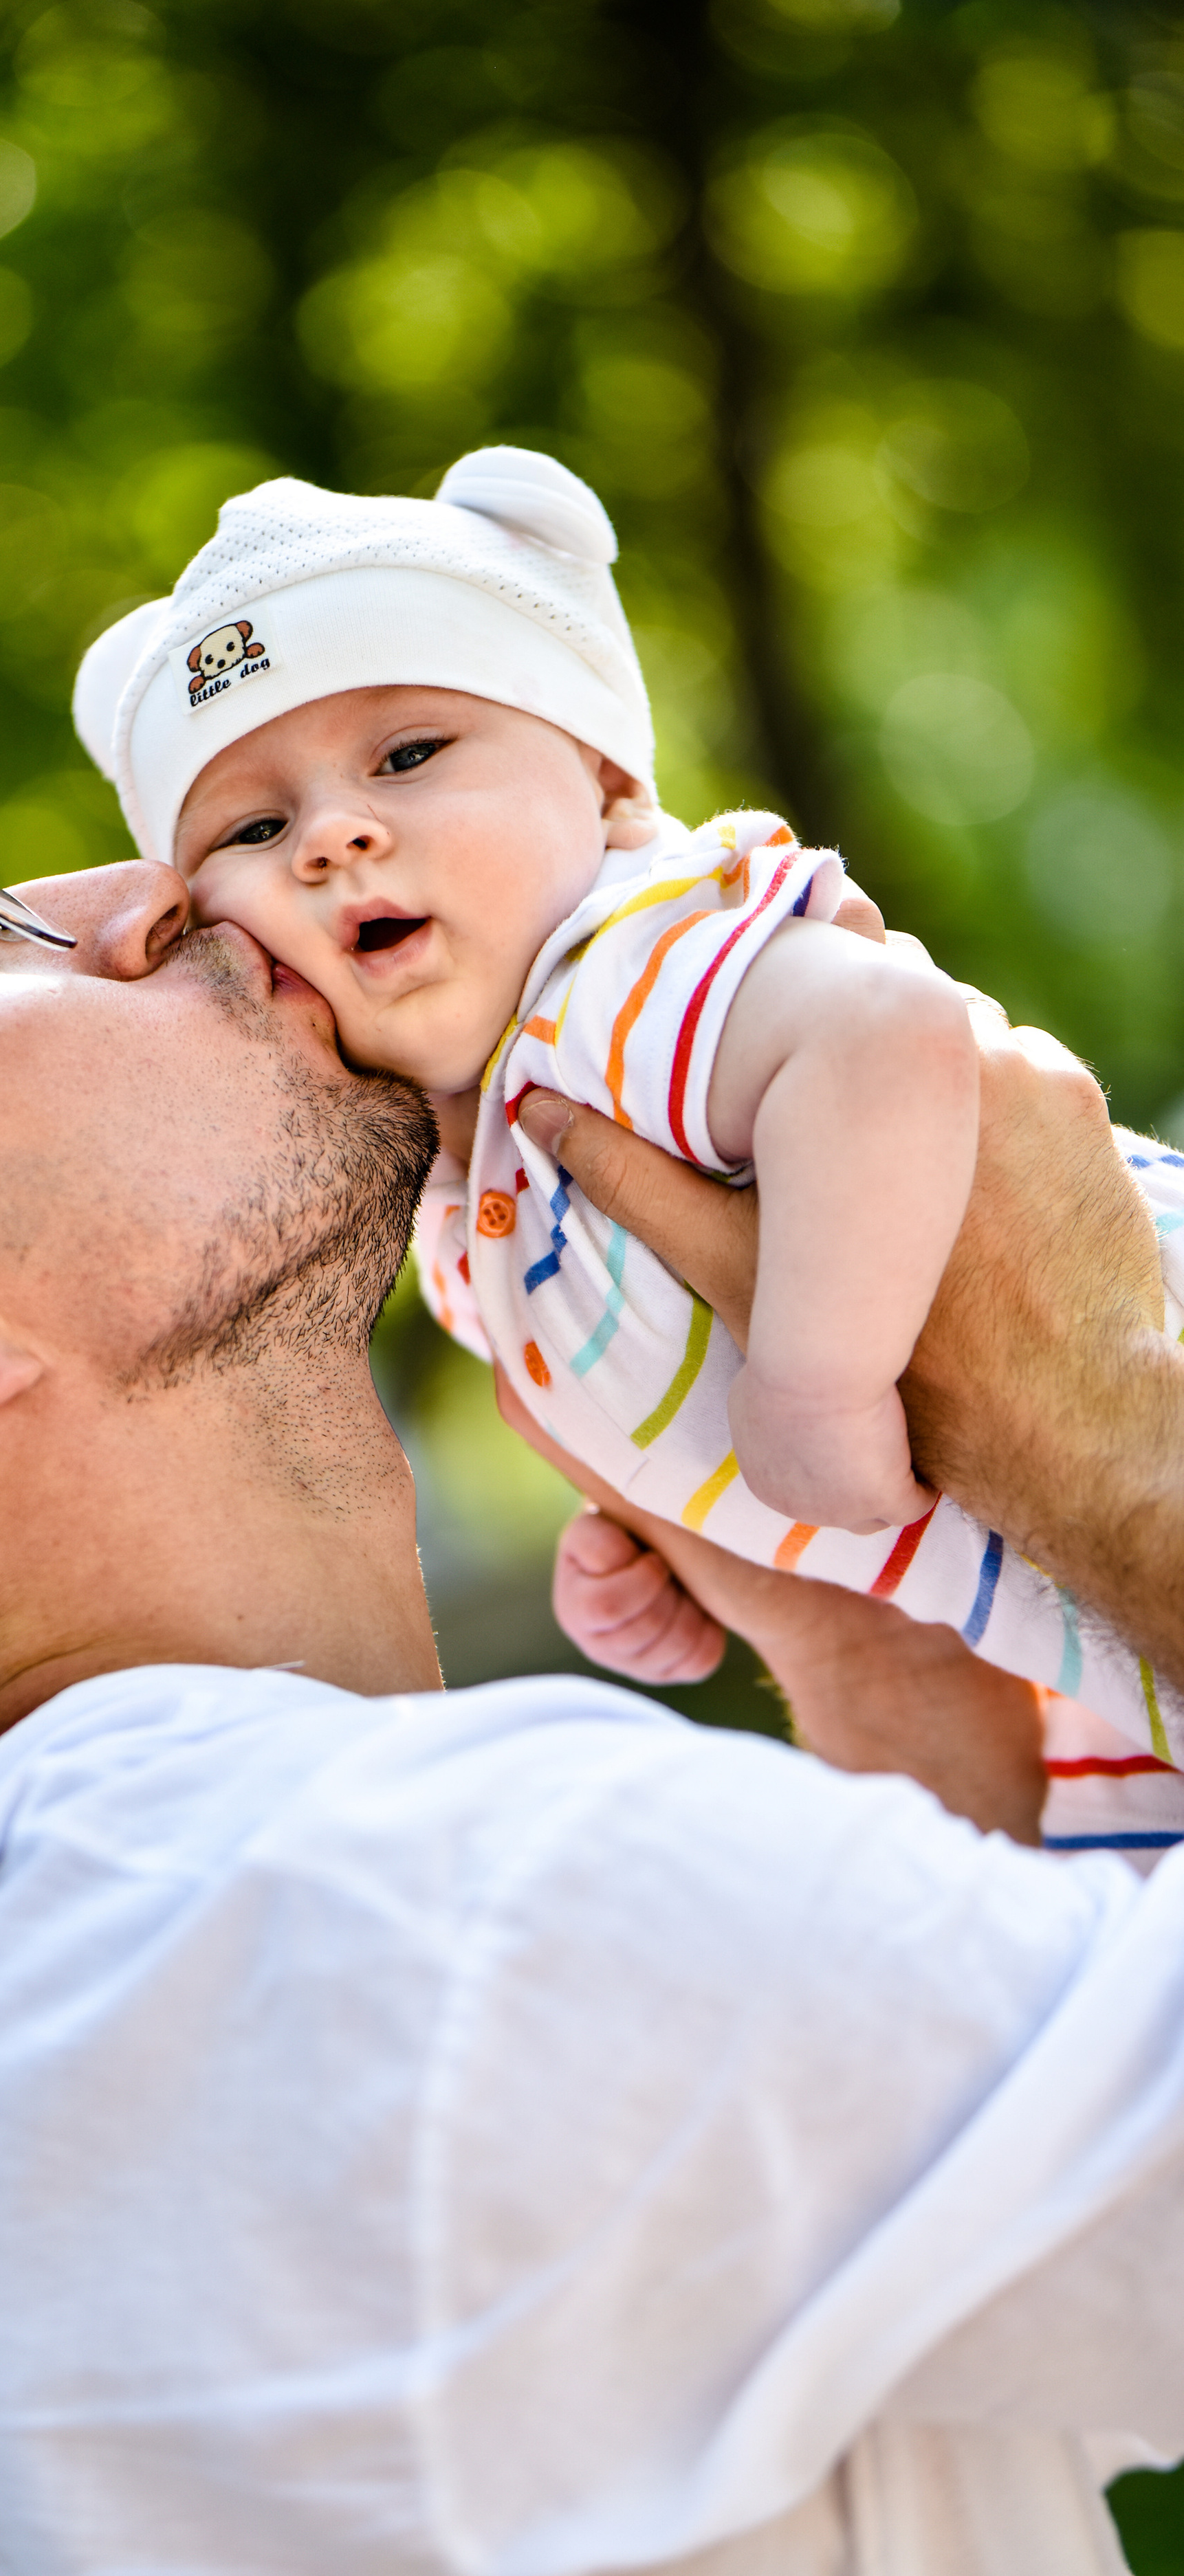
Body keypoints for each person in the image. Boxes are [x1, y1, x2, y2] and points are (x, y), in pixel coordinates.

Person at [0, 836, 1183, 2575]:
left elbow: (1027, 2301)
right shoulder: (378, 1917)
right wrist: (1109, 1441)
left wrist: (865, 1644)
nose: (149, 887)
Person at [72, 447, 1184, 1765]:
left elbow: (889, 1033)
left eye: (411, 752)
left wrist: (811, 1394)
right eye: (249, 833)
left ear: (604, 785)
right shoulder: (465, 1169)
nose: (331, 836)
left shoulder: (619, 974)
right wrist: (681, 1522)